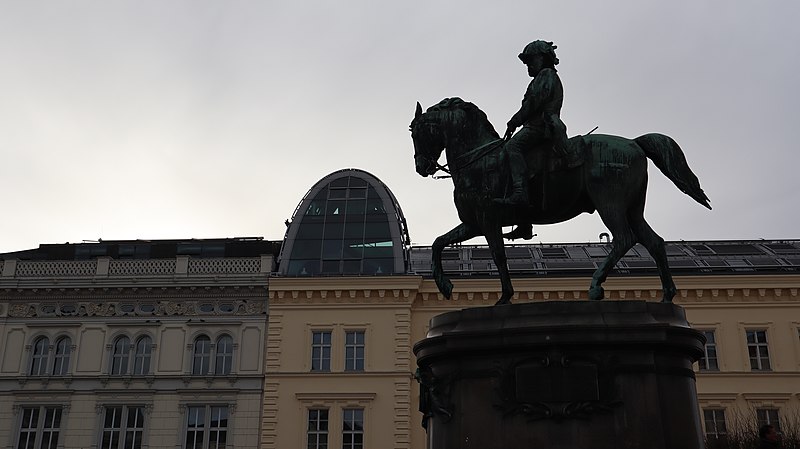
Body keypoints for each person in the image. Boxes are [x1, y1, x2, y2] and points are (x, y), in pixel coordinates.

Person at [498, 40, 569, 240]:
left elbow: (535, 103)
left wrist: (515, 120)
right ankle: (524, 222)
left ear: (542, 58)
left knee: (512, 148)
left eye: (531, 60)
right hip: (537, 125)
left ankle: (520, 193)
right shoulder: (540, 77)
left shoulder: (546, 75)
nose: (528, 65)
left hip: (541, 126)